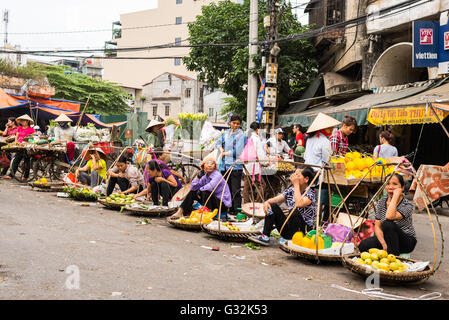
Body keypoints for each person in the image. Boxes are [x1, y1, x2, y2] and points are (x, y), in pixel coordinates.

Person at [248, 167, 317, 246]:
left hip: (303, 232)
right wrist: (267, 202)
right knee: (272, 206)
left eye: (297, 175)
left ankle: (290, 240)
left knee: (294, 212)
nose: (294, 177)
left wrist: (296, 185)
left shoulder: (310, 194)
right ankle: (265, 236)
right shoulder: (291, 190)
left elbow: (299, 203)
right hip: (289, 229)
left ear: (306, 179)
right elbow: (275, 200)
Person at [358, 173, 417, 256]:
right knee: (363, 245)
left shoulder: (408, 206)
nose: (390, 187)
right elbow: (377, 226)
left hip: (406, 242)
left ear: (402, 188)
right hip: (387, 239)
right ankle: (389, 250)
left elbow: (389, 216)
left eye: (395, 184)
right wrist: (383, 244)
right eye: (388, 184)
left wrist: (396, 196)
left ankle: (393, 256)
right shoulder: (381, 202)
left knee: (387, 224)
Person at [168, 150, 232, 220]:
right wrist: (198, 177)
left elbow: (210, 187)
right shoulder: (205, 176)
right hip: (210, 200)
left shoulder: (217, 175)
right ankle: (180, 211)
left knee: (205, 191)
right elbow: (193, 187)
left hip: (222, 204)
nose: (210, 165)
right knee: (192, 192)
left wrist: (200, 190)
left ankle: (208, 214)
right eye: (207, 163)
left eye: (212, 164)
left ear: (215, 166)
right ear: (203, 166)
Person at [304, 112, 341, 222]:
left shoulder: (310, 139)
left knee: (308, 196)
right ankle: (324, 218)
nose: (332, 129)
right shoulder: (325, 141)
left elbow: (306, 155)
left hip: (308, 172)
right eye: (330, 128)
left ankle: (312, 217)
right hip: (318, 175)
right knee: (327, 194)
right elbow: (327, 160)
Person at [216, 113, 247, 216]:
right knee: (226, 188)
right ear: (230, 123)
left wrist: (226, 153)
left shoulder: (241, 135)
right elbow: (218, 142)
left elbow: (238, 151)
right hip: (225, 165)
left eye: (238, 124)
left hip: (235, 166)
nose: (236, 125)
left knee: (235, 190)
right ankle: (227, 208)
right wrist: (221, 149)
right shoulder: (226, 133)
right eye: (234, 123)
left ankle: (237, 210)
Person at [2, 114, 36, 181]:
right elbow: (16, 137)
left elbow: (34, 138)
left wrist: (29, 141)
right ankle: (11, 175)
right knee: (16, 160)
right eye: (21, 121)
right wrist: (16, 142)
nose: (22, 122)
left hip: (27, 147)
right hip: (19, 146)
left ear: (27, 121)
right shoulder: (19, 128)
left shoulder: (31, 129)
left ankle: (25, 176)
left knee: (27, 161)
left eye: (23, 121)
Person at [242, 121, 268, 203]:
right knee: (262, 185)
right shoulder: (256, 139)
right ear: (257, 129)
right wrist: (265, 163)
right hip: (253, 166)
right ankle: (258, 203)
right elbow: (260, 154)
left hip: (246, 166)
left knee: (247, 186)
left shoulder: (246, 136)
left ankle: (246, 204)